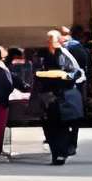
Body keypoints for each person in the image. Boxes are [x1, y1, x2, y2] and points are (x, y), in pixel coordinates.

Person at [37, 28, 86, 163]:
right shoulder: (43, 56)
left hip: (63, 95)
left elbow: (78, 73)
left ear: (58, 41)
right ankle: (55, 153)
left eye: (51, 40)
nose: (49, 42)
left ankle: (61, 154)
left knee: (62, 125)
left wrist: (66, 76)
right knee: (49, 126)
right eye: (48, 40)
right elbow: (36, 72)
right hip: (47, 96)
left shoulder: (64, 55)